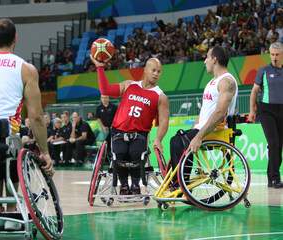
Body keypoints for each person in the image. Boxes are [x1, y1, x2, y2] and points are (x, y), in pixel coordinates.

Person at [0, 18, 53, 231]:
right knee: (12, 145)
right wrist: (45, 152)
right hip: (6, 138)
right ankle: (12, 208)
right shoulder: (25, 69)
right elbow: (36, 117)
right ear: (15, 38)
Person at [90, 54, 169, 195]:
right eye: (153, 70)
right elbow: (106, 90)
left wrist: (158, 139)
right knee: (119, 155)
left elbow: (164, 122)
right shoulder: (129, 85)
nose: (156, 74)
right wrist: (100, 67)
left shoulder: (160, 96)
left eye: (159, 71)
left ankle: (135, 185)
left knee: (135, 155)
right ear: (145, 69)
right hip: (118, 131)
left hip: (140, 134)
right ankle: (124, 185)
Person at [170, 46, 237, 187]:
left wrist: (198, 136)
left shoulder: (227, 81)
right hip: (204, 128)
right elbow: (203, 112)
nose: (204, 61)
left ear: (214, 60)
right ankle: (180, 183)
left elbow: (219, 113)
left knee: (178, 142)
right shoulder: (211, 82)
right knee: (177, 139)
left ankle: (180, 185)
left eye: (206, 57)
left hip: (215, 130)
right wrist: (192, 131)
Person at [249, 42, 283, 188]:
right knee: (274, 142)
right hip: (266, 110)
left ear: (282, 55)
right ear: (269, 55)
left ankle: (271, 178)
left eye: (277, 54)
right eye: (272, 54)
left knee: (278, 146)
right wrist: (252, 110)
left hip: (282, 109)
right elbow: (254, 91)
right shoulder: (263, 70)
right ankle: (275, 178)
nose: (274, 57)